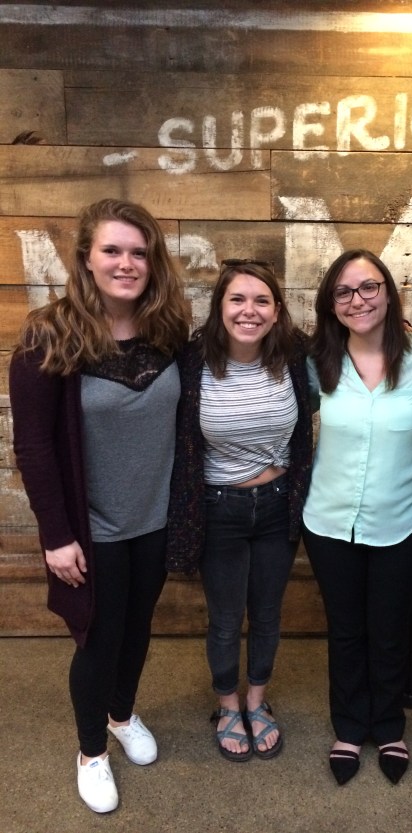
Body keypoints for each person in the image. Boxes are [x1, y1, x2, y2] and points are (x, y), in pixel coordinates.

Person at [9, 199, 190, 814]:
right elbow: (33, 446)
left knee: (138, 629)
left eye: (139, 252)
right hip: (93, 531)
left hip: (155, 520)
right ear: (86, 257)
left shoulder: (167, 329)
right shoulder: (49, 335)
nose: (126, 263)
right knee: (99, 639)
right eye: (112, 250)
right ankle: (91, 752)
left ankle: (121, 714)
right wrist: (56, 536)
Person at [166, 259, 313, 762]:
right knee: (227, 619)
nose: (249, 311)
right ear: (219, 307)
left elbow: (351, 345)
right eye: (237, 299)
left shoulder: (293, 355)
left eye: (261, 301)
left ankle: (256, 700)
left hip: (278, 505)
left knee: (268, 614)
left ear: (277, 311)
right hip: (219, 508)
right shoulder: (192, 361)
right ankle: (227, 704)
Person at [302, 249, 412, 786]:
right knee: (346, 630)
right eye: (344, 292)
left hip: (403, 521)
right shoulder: (318, 363)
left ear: (388, 292)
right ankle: (350, 727)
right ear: (331, 304)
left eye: (368, 287)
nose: (357, 300)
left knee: (389, 631)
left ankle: (390, 726)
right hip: (329, 521)